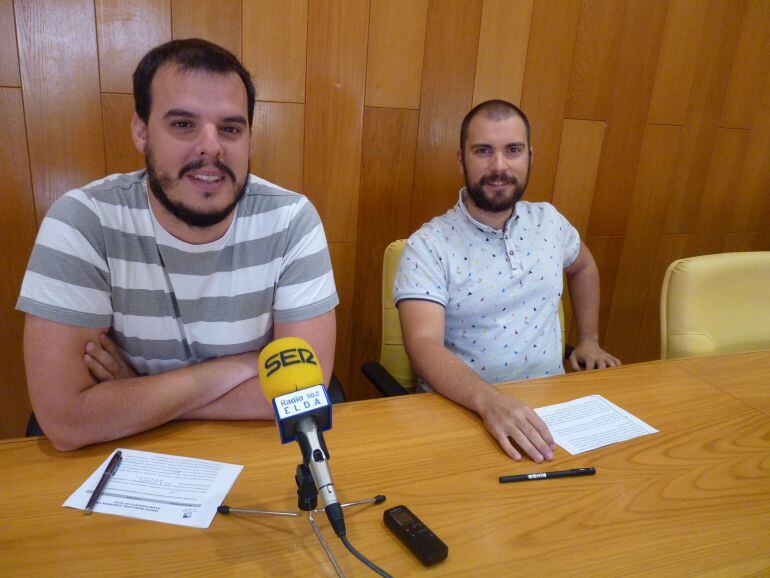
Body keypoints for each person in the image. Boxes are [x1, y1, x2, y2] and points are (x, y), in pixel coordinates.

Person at [16, 39, 338, 451]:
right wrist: (236, 369)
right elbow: (66, 419)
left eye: (230, 128)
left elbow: (301, 393)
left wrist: (138, 393)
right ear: (141, 131)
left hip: (257, 458)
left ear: (250, 140)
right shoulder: (85, 220)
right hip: (128, 460)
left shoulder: (292, 220)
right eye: (183, 124)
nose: (211, 146)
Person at [394, 100, 620, 463]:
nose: (498, 166)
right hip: (463, 414)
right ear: (461, 159)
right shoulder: (429, 245)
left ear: (529, 156)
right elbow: (423, 346)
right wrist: (489, 402)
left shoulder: (550, 222)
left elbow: (584, 267)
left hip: (552, 410)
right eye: (483, 151)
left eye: (512, 150)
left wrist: (589, 340)